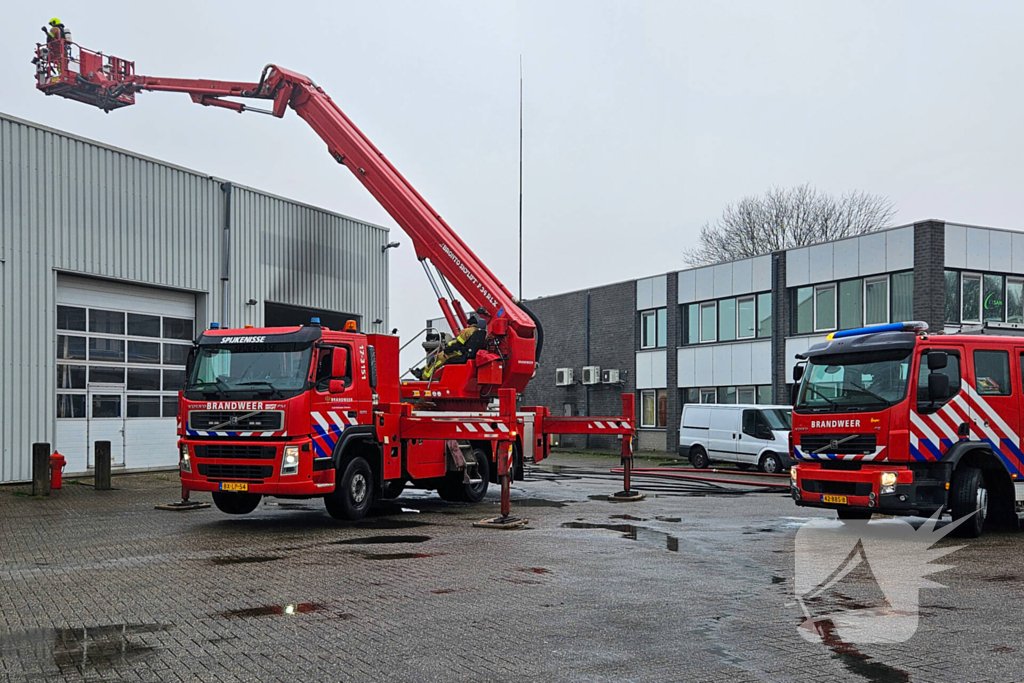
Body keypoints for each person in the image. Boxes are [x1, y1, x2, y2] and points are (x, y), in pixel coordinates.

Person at [419, 316, 484, 380]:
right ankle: (423, 371)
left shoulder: (466, 331)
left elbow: (458, 344)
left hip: (461, 353)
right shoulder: (479, 332)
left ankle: (424, 376)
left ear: (468, 324)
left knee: (438, 358)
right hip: (467, 354)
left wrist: (448, 349)